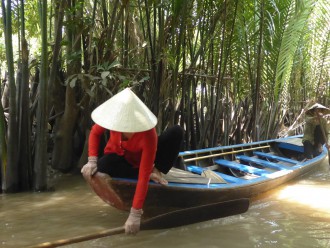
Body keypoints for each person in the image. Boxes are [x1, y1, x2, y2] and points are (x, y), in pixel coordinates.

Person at [81, 88, 183, 235]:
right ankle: (149, 174)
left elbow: (142, 177)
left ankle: (156, 171)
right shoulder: (114, 119)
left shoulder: (149, 135)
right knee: (102, 165)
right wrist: (91, 161)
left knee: (176, 131)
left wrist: (135, 213)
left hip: (143, 161)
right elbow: (95, 132)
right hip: (120, 160)